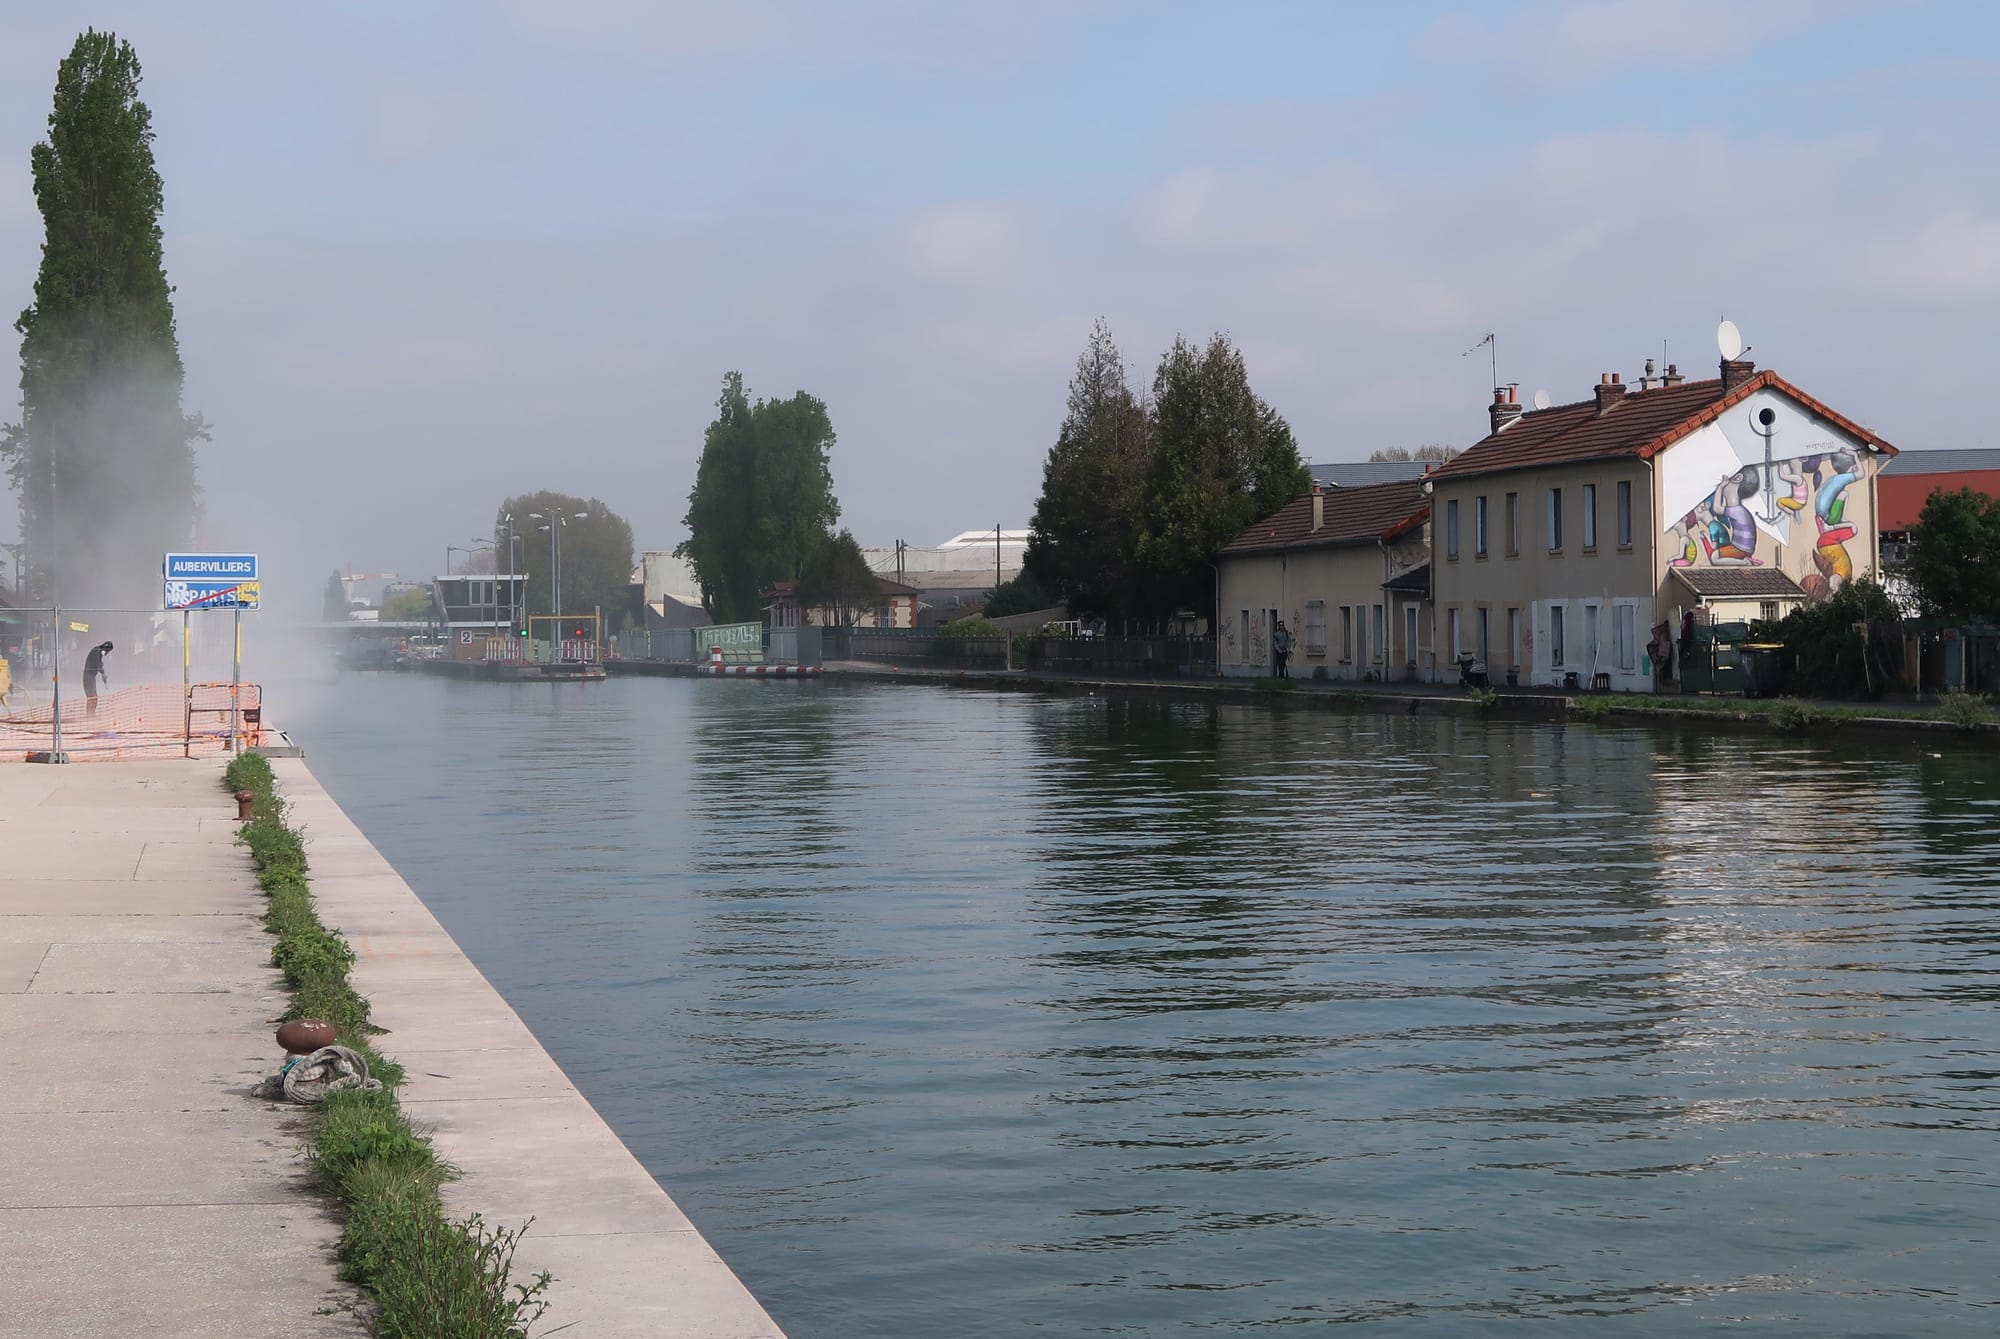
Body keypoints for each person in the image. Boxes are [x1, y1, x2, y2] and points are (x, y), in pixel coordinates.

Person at [83, 640, 112, 717]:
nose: (107, 653)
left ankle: (91, 715)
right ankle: (90, 715)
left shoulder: (97, 652)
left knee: (93, 697)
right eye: (107, 651)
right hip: (88, 676)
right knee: (92, 697)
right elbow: (97, 665)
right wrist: (103, 673)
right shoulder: (96, 651)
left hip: (91, 677)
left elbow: (98, 664)